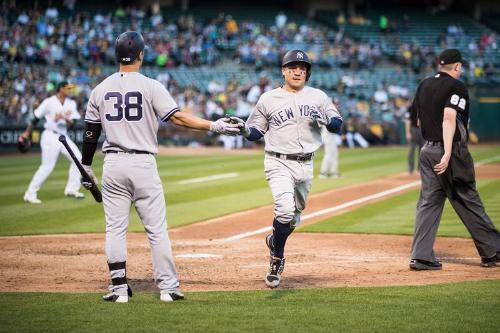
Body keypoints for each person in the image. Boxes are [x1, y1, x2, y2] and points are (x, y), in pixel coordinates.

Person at [80, 31, 241, 303]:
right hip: (143, 163)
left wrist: (86, 167)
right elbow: (177, 118)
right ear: (141, 54)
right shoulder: (151, 86)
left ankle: (119, 289)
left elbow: (90, 133)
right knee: (156, 230)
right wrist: (214, 125)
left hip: (113, 164)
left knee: (115, 229)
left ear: (117, 55)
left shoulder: (100, 89)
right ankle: (168, 288)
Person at [232, 50, 343, 288]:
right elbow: (255, 133)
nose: (297, 71)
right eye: (292, 67)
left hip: (306, 163)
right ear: (283, 71)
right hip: (278, 161)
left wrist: (325, 119)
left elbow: (338, 125)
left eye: (302, 68)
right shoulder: (268, 98)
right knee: (283, 209)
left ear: (307, 73)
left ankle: (275, 240)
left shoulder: (319, 97)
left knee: (294, 217)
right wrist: (243, 130)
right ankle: (277, 259)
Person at [409, 48, 500, 270]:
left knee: (429, 202)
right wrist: (448, 152)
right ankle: (493, 252)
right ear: (457, 66)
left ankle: (421, 256)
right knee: (467, 197)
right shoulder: (456, 86)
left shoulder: (424, 84)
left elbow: (418, 121)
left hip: (427, 150)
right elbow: (449, 118)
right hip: (449, 151)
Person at [21, 81, 85, 204]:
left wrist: (66, 119)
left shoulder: (71, 103)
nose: (70, 90)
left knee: (79, 160)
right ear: (60, 88)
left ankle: (71, 189)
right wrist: (26, 133)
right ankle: (30, 194)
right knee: (47, 167)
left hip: (63, 136)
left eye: (70, 88)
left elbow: (73, 124)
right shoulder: (49, 101)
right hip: (50, 135)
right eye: (67, 88)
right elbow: (35, 118)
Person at [404, 103, 424, 174]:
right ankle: (410, 169)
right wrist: (408, 132)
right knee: (411, 149)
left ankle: (419, 169)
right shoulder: (410, 107)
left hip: (422, 129)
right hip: (414, 129)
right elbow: (407, 120)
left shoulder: (424, 105)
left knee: (422, 150)